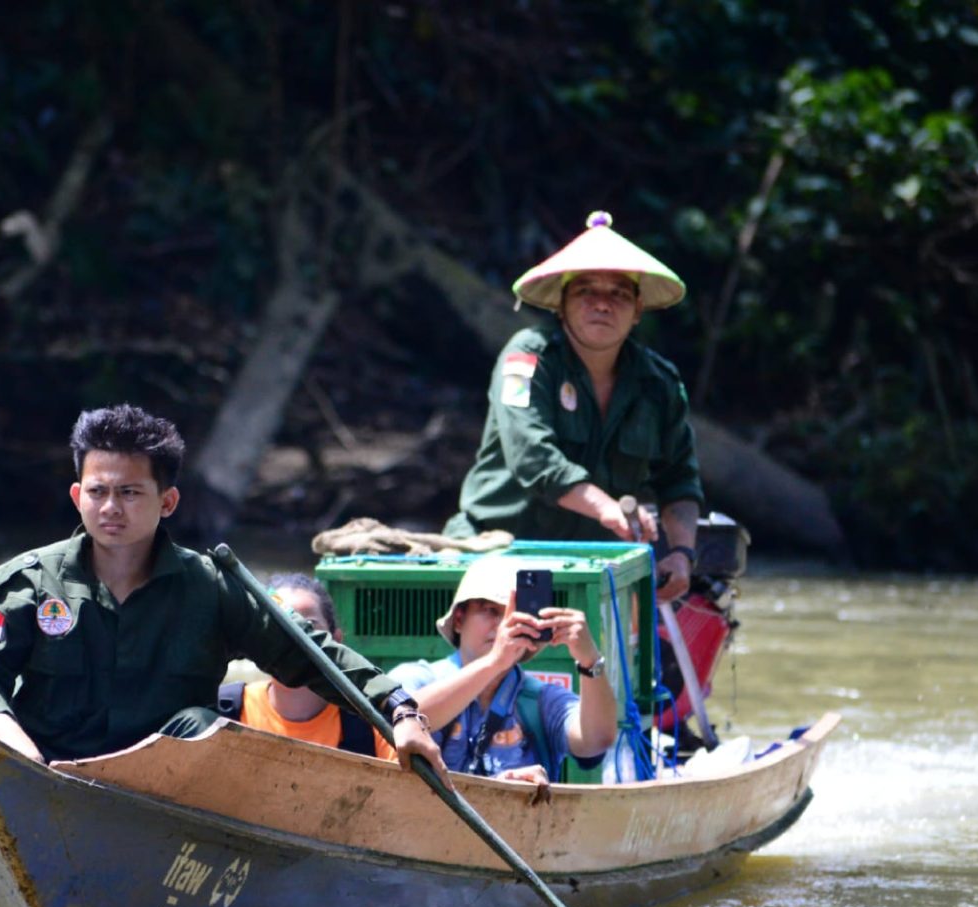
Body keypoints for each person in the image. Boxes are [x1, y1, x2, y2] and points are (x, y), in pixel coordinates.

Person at [0, 404, 445, 780]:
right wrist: (20, 753)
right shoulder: (23, 581)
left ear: (167, 503)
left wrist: (400, 711)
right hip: (40, 766)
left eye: (129, 492)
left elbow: (310, 654)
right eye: (97, 492)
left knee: (206, 728)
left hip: (160, 784)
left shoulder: (211, 587)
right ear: (77, 496)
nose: (111, 508)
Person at [443, 211, 705, 602]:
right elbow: (532, 455)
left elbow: (679, 479)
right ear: (561, 305)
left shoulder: (659, 383)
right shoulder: (525, 360)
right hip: (497, 551)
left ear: (637, 310)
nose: (602, 304)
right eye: (586, 291)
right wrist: (605, 507)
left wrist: (682, 553)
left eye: (618, 294)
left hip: (595, 567)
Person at [385, 555, 618, 785]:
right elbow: (399, 717)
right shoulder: (416, 677)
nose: (503, 625)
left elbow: (596, 740)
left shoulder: (539, 701)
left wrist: (590, 661)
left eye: (514, 615)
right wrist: (495, 661)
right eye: (490, 610)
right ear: (458, 619)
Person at [216, 573, 394, 759]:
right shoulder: (220, 710)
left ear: (336, 641)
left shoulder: (372, 726)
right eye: (276, 626)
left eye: (308, 627)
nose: (292, 639)